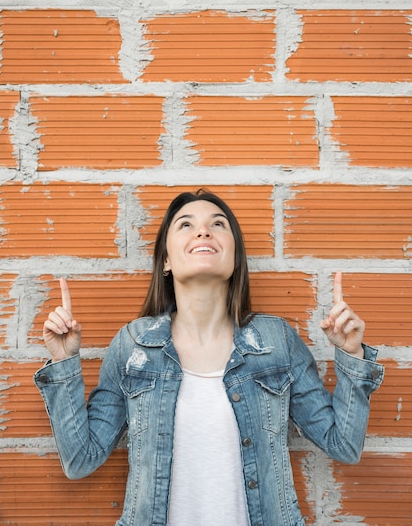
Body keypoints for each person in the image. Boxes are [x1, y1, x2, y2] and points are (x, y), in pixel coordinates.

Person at [34, 189, 384, 526]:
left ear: (234, 257)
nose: (203, 229)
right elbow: (81, 459)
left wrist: (350, 354)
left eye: (218, 224)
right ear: (166, 260)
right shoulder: (133, 346)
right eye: (185, 224)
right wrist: (64, 364)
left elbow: (344, 445)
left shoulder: (277, 342)